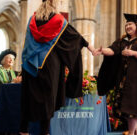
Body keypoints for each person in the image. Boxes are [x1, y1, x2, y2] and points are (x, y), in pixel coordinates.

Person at [20, 0, 98, 134]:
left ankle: (23, 131)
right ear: (54, 3)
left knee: (28, 98)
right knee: (48, 100)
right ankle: (44, 132)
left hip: (31, 65)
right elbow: (74, 37)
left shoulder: (32, 19)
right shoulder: (58, 20)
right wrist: (90, 47)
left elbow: (27, 44)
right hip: (50, 66)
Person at [97, 13, 137, 135]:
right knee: (124, 109)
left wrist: (133, 53)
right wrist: (102, 51)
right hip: (124, 80)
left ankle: (132, 132)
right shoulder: (122, 41)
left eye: (130, 24)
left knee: (133, 109)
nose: (127, 27)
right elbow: (112, 50)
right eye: (126, 25)